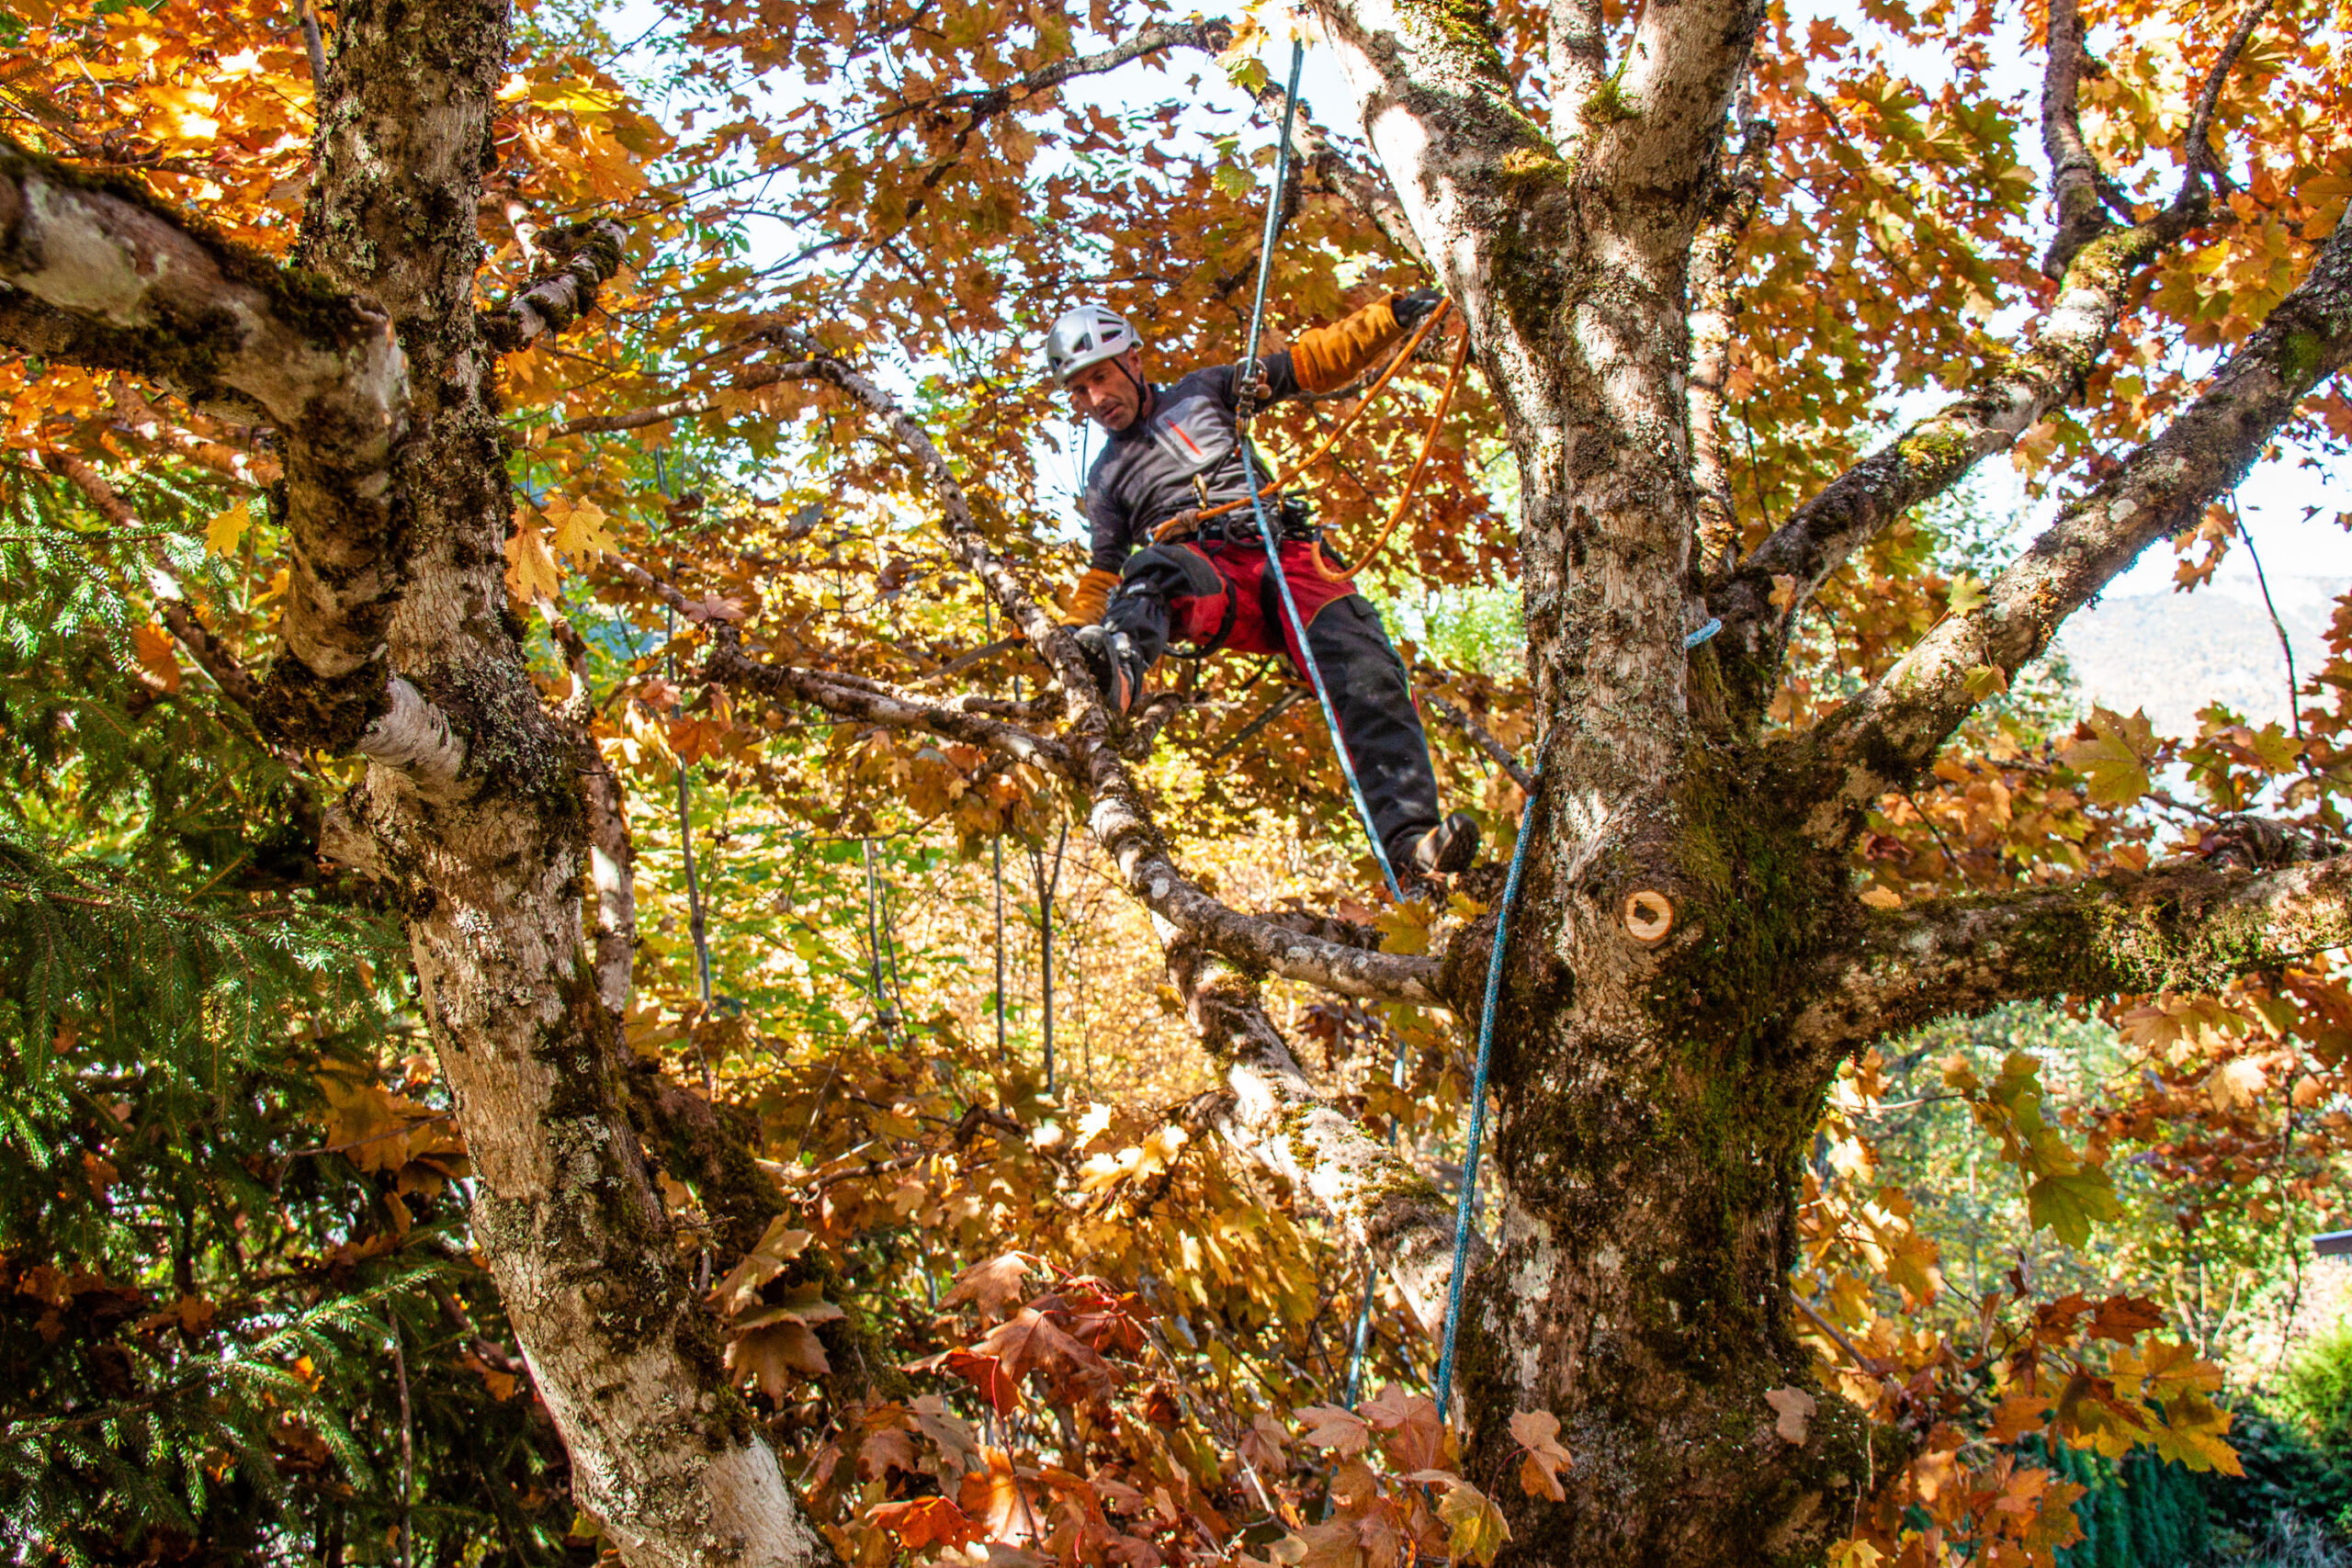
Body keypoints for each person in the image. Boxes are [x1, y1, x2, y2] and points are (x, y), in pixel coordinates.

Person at [1046, 295, 1479, 884]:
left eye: (1100, 377)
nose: (1096, 400)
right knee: (1155, 572)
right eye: (1079, 391)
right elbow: (1104, 569)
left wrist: (1394, 315)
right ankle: (1118, 670)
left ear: (1134, 363)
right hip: (1209, 574)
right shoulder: (1106, 478)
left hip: (1291, 558)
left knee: (1366, 669)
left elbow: (1308, 363)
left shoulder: (1204, 391)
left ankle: (1410, 847)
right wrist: (1077, 632)